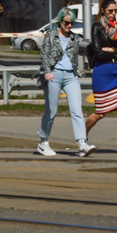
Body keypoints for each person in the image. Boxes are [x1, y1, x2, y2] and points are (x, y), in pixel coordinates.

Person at [35, 8, 94, 156]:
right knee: (51, 111)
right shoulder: (51, 35)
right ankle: (43, 142)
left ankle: (82, 143)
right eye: (67, 23)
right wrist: (47, 71)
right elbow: (44, 55)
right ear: (60, 21)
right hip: (54, 75)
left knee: (77, 110)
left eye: (72, 23)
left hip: (71, 76)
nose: (69, 26)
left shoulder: (74, 38)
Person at [86, 0, 117, 154]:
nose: (113, 14)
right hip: (102, 72)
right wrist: (113, 49)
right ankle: (82, 135)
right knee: (101, 113)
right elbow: (98, 52)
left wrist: (112, 50)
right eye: (110, 11)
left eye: (115, 11)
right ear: (103, 11)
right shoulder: (96, 28)